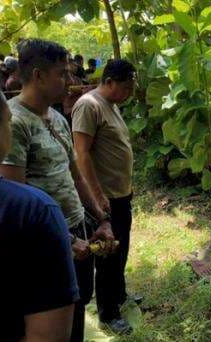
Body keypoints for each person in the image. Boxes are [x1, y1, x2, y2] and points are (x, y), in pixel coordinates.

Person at [0, 39, 119, 341]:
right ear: (38, 76)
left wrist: (99, 218)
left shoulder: (56, 118)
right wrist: (64, 239)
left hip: (76, 229)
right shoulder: (14, 123)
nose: (70, 81)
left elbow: (75, 174)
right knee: (53, 318)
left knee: (77, 305)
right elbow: (15, 195)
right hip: (44, 238)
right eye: (62, 74)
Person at [0, 67, 79, 342]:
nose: (69, 81)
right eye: (6, 122)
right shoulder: (30, 212)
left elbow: (74, 167)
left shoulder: (57, 118)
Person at [72, 59, 137, 332]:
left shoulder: (111, 105)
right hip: (104, 198)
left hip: (121, 194)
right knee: (108, 255)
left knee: (120, 251)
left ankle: (119, 296)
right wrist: (97, 196)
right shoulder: (89, 105)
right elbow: (81, 153)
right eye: (125, 87)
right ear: (109, 81)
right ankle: (108, 314)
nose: (129, 93)